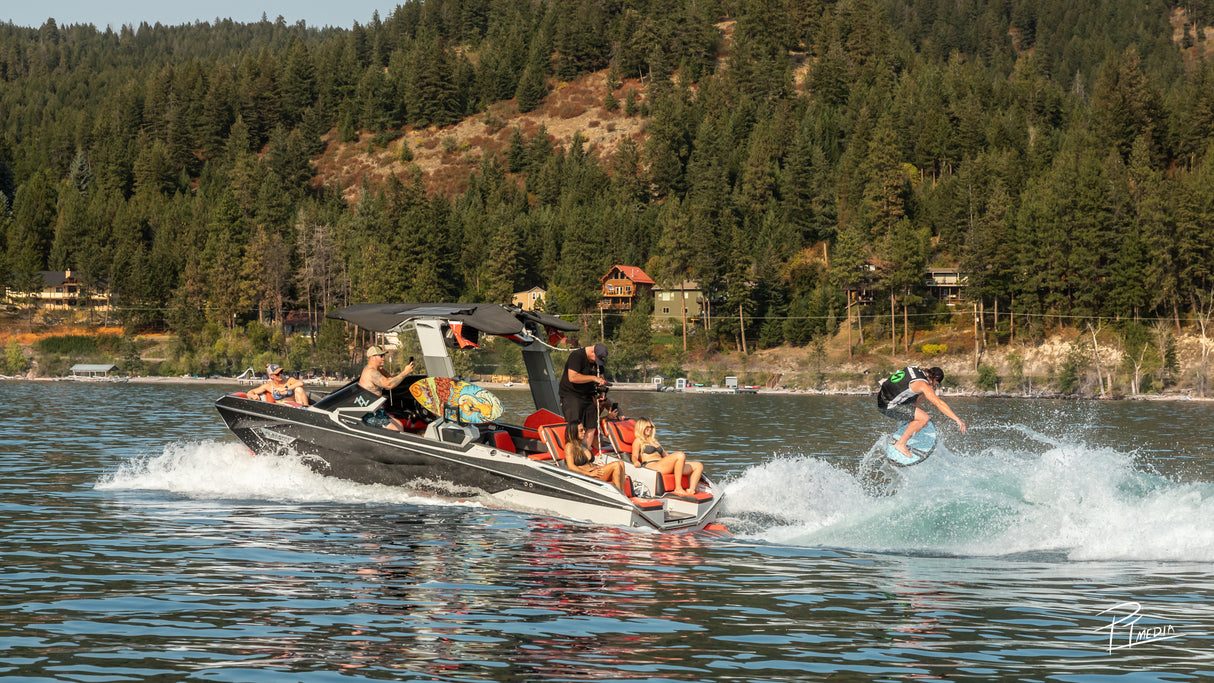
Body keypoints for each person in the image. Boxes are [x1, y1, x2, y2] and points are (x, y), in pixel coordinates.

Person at [876, 365, 967, 458]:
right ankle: (900, 444)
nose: (935, 385)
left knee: (920, 395)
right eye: (936, 383)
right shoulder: (924, 385)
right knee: (924, 418)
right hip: (886, 406)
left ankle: (914, 420)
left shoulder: (914, 369)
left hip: (881, 396)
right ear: (935, 378)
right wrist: (957, 419)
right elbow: (939, 403)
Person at [630, 417, 704, 497]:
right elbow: (634, 455)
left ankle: (691, 490)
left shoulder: (654, 442)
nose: (650, 429)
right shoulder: (638, 441)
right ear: (641, 428)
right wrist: (635, 462)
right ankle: (678, 488)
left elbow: (667, 456)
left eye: (651, 427)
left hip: (663, 465)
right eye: (647, 427)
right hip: (652, 466)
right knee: (680, 455)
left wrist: (680, 463)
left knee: (698, 466)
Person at [559, 342, 608, 449]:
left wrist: (602, 391)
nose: (596, 362)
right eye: (596, 359)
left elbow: (601, 378)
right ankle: (572, 454)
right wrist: (593, 378)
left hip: (587, 395)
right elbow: (573, 377)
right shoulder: (576, 356)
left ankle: (584, 453)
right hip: (571, 395)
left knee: (592, 425)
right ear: (592, 352)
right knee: (575, 427)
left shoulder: (597, 362)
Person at [359, 345, 416, 431]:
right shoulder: (371, 372)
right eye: (381, 356)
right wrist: (405, 372)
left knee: (400, 425)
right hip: (369, 413)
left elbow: (389, 378)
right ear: (372, 358)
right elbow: (389, 384)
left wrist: (382, 370)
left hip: (377, 411)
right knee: (396, 430)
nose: (383, 358)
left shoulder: (375, 369)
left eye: (384, 355)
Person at [564, 423, 626, 494]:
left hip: (595, 470)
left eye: (584, 429)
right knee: (616, 465)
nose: (584, 432)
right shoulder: (569, 446)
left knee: (621, 463)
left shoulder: (581, 444)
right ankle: (619, 496)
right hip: (588, 475)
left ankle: (622, 494)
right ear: (574, 432)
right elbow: (571, 466)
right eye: (581, 430)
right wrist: (589, 474)